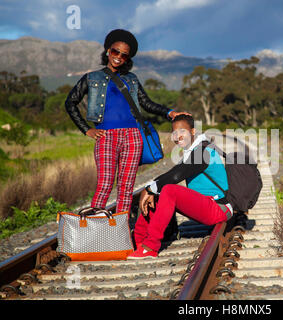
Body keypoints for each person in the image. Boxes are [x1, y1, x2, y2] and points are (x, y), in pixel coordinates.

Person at [65, 29, 189, 214]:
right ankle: (96, 230)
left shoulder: (131, 79)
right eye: (115, 52)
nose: (118, 57)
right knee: (105, 183)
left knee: (126, 187)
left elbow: (146, 103)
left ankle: (119, 232)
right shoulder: (92, 78)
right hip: (105, 136)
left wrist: (169, 112)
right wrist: (86, 130)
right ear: (108, 51)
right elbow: (70, 102)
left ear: (127, 58)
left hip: (133, 137)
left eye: (124, 55)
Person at [127, 114, 233, 259]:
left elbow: (176, 176)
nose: (178, 136)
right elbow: (172, 173)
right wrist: (151, 189)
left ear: (193, 132)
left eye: (182, 131)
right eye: (175, 132)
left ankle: (150, 247)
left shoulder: (203, 153)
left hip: (218, 208)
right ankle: (138, 242)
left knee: (168, 190)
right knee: (158, 193)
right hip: (206, 204)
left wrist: (149, 189)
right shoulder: (194, 151)